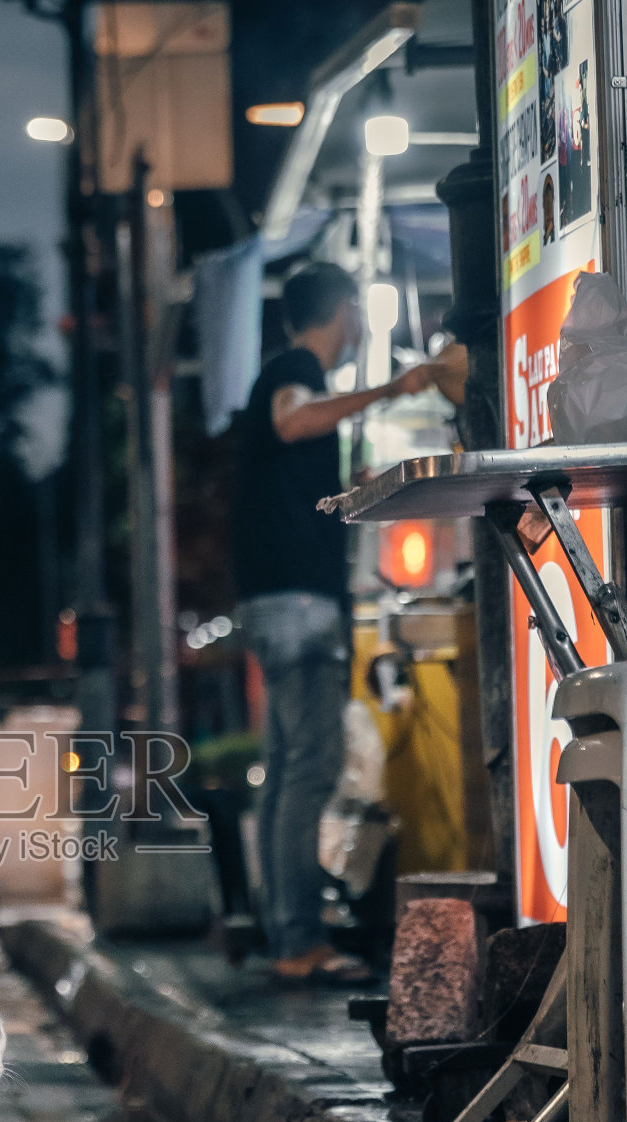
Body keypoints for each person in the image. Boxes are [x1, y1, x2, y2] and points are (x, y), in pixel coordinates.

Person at [233, 261, 436, 985]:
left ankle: (289, 933)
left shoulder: (286, 376)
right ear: (345, 310)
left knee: (288, 773)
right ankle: (296, 942)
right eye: (357, 315)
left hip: (281, 599)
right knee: (307, 773)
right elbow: (294, 419)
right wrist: (392, 388)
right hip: (297, 604)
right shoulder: (292, 370)